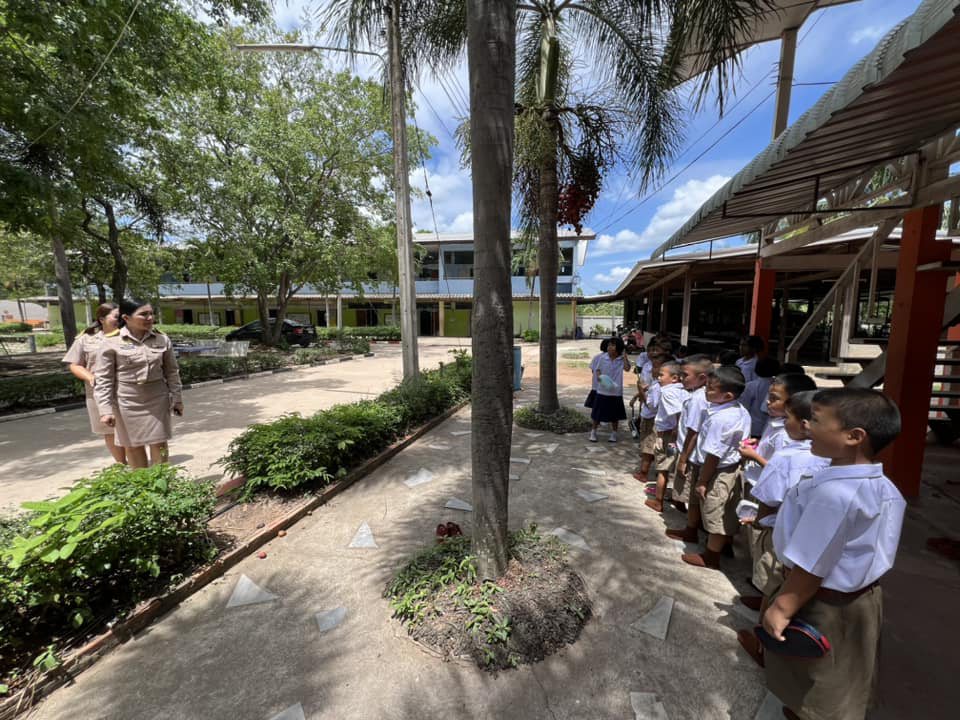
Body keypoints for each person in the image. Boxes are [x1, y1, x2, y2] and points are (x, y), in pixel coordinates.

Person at [762, 388, 905, 720]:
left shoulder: (836, 495)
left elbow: (812, 564)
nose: (807, 426)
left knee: (822, 679)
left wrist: (782, 607)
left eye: (815, 420)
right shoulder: (886, 487)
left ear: (854, 436)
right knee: (846, 675)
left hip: (822, 598)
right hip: (861, 597)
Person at [736, 390, 829, 667]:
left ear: (805, 424)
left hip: (780, 531)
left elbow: (769, 499)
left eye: (788, 417)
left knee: (772, 586)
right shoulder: (830, 460)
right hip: (806, 536)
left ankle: (762, 644)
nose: (783, 422)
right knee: (782, 585)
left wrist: (758, 520)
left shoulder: (787, 457)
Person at [666, 366, 751, 570]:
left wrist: (703, 480)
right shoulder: (738, 410)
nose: (706, 390)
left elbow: (714, 455)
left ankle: (712, 556)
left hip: (716, 469)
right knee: (698, 502)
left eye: (711, 388)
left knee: (716, 512)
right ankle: (694, 531)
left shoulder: (721, 419)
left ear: (728, 395)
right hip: (712, 465)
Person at [95, 298, 184, 469]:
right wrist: (105, 410)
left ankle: (161, 481)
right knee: (133, 445)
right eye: (143, 314)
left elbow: (172, 372)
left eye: (151, 313)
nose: (150, 318)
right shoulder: (111, 342)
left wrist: (177, 399)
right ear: (126, 318)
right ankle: (141, 482)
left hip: (157, 399)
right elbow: (104, 379)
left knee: (159, 442)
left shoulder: (161, 339)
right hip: (126, 401)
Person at [62, 303, 126, 464]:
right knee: (109, 430)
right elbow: (74, 364)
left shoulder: (129, 336)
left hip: (126, 389)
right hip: (98, 392)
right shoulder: (86, 339)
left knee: (130, 427)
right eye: (115, 317)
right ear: (102, 319)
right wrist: (90, 377)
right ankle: (122, 464)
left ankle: (136, 464)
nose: (119, 320)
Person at [644, 360, 689, 513]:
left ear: (674, 378)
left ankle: (658, 501)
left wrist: (675, 431)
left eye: (662, 375)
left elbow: (677, 413)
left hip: (668, 435)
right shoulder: (684, 391)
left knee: (663, 468)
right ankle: (678, 500)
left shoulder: (667, 392)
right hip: (677, 435)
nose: (659, 378)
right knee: (675, 467)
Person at [671, 354, 713, 513]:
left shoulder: (698, 399)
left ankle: (691, 523)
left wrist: (683, 459)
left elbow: (693, 431)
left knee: (689, 495)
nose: (681, 378)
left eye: (685, 375)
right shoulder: (699, 394)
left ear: (702, 378)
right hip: (690, 451)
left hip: (690, 454)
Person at [588, 336, 630, 442]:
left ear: (618, 348)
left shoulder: (621, 359)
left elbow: (627, 368)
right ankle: (593, 432)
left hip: (616, 392)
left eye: (612, 345)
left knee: (614, 415)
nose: (609, 347)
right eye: (609, 345)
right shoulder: (603, 358)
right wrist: (600, 378)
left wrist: (624, 356)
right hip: (602, 390)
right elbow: (597, 370)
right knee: (597, 413)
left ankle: (614, 434)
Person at [632, 351, 665, 477]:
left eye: (655, 367)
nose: (651, 370)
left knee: (648, 445)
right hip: (651, 417)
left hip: (651, 418)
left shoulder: (657, 387)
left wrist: (641, 391)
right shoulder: (657, 384)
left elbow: (651, 405)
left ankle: (643, 473)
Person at [740, 356, 781, 439]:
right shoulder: (779, 386)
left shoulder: (750, 386)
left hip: (753, 426)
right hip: (771, 427)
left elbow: (744, 406)